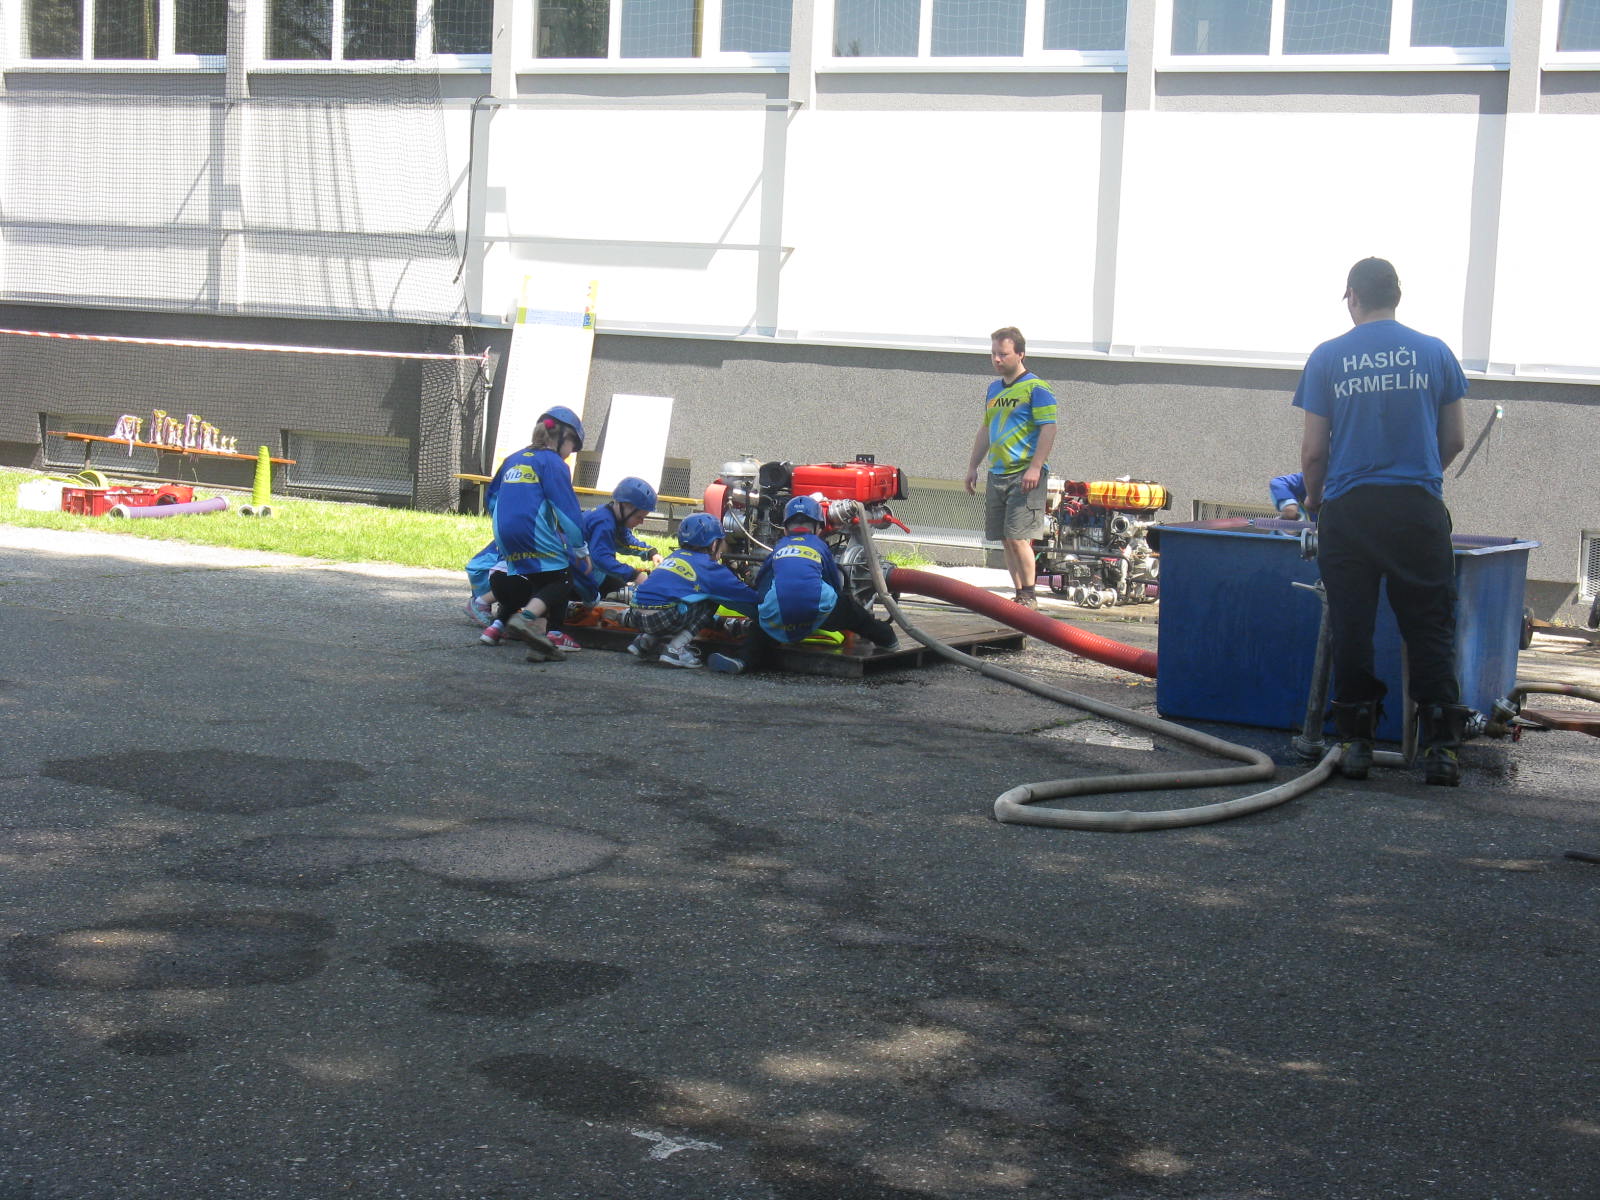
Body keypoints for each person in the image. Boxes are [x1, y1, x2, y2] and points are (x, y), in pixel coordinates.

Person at [1294, 257, 1468, 785]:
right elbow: (1455, 439)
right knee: (1430, 626)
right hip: (1417, 508)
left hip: (1350, 510)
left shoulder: (1328, 356)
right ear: (1397, 295)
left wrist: (1316, 502)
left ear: (1352, 296)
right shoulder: (1436, 353)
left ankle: (1356, 744)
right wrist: (1417, 477)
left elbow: (1314, 453)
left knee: (1352, 625)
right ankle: (1441, 749)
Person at [705, 496, 898, 675]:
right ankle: (888, 639)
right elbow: (833, 580)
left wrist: (762, 608)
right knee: (855, 614)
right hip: (817, 610)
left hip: (780, 614)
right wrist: (839, 604)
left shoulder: (779, 547)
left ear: (785, 528)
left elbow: (763, 581)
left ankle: (743, 660)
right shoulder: (819, 546)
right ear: (818, 528)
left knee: (762, 628)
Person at [480, 405, 593, 663]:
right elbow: (567, 510)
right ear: (563, 436)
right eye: (572, 446)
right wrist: (580, 549)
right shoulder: (553, 463)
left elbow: (492, 499)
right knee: (563, 578)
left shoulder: (513, 459)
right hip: (531, 530)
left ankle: (538, 642)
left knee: (542, 581)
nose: (570, 454)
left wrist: (507, 527)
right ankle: (525, 619)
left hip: (504, 533)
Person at [964, 326, 1057, 609]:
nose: (997, 359)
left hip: (1024, 474)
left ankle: (1029, 595)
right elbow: (986, 429)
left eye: (1003, 354)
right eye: (993, 353)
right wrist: (973, 466)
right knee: (1005, 538)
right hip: (998, 472)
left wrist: (1035, 467)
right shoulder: (993, 389)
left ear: (1020, 354)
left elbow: (1049, 428)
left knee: (1018, 537)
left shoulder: (1036, 388)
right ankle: (1018, 595)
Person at [625, 512, 758, 670]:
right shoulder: (709, 567)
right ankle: (675, 650)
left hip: (636, 614)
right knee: (709, 599)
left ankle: (645, 641)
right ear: (714, 544)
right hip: (663, 617)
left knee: (677, 599)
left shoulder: (673, 557)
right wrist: (763, 612)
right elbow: (745, 599)